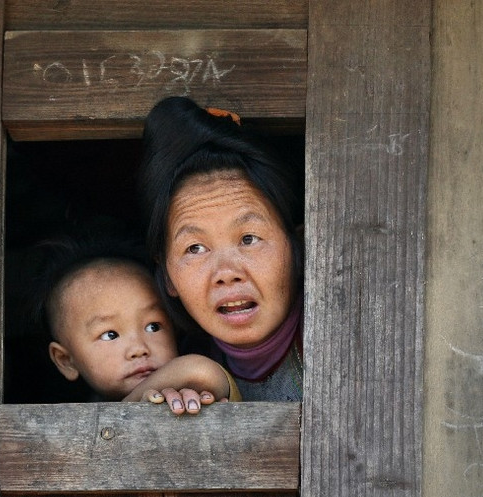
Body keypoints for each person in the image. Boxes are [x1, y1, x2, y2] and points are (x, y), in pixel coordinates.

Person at [137, 96, 304, 403]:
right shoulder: (179, 368)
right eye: (195, 247)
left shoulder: (345, 342)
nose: (226, 274)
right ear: (169, 276)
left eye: (249, 238)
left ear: (298, 248)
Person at [29, 229, 241, 414]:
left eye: (153, 327)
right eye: (110, 334)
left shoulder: (188, 391)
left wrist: (120, 416)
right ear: (66, 360)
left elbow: (201, 371)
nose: (139, 349)